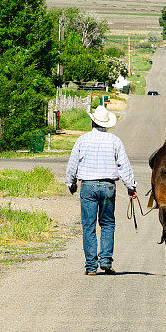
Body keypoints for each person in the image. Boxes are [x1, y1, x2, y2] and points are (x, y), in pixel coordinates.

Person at [65, 105, 137, 275]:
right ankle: (105, 260)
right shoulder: (115, 141)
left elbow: (72, 165)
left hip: (88, 186)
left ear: (92, 121)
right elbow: (124, 166)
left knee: (88, 226)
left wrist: (71, 183)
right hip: (108, 186)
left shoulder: (82, 140)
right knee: (107, 224)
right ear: (106, 124)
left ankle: (91, 266)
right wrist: (131, 186)